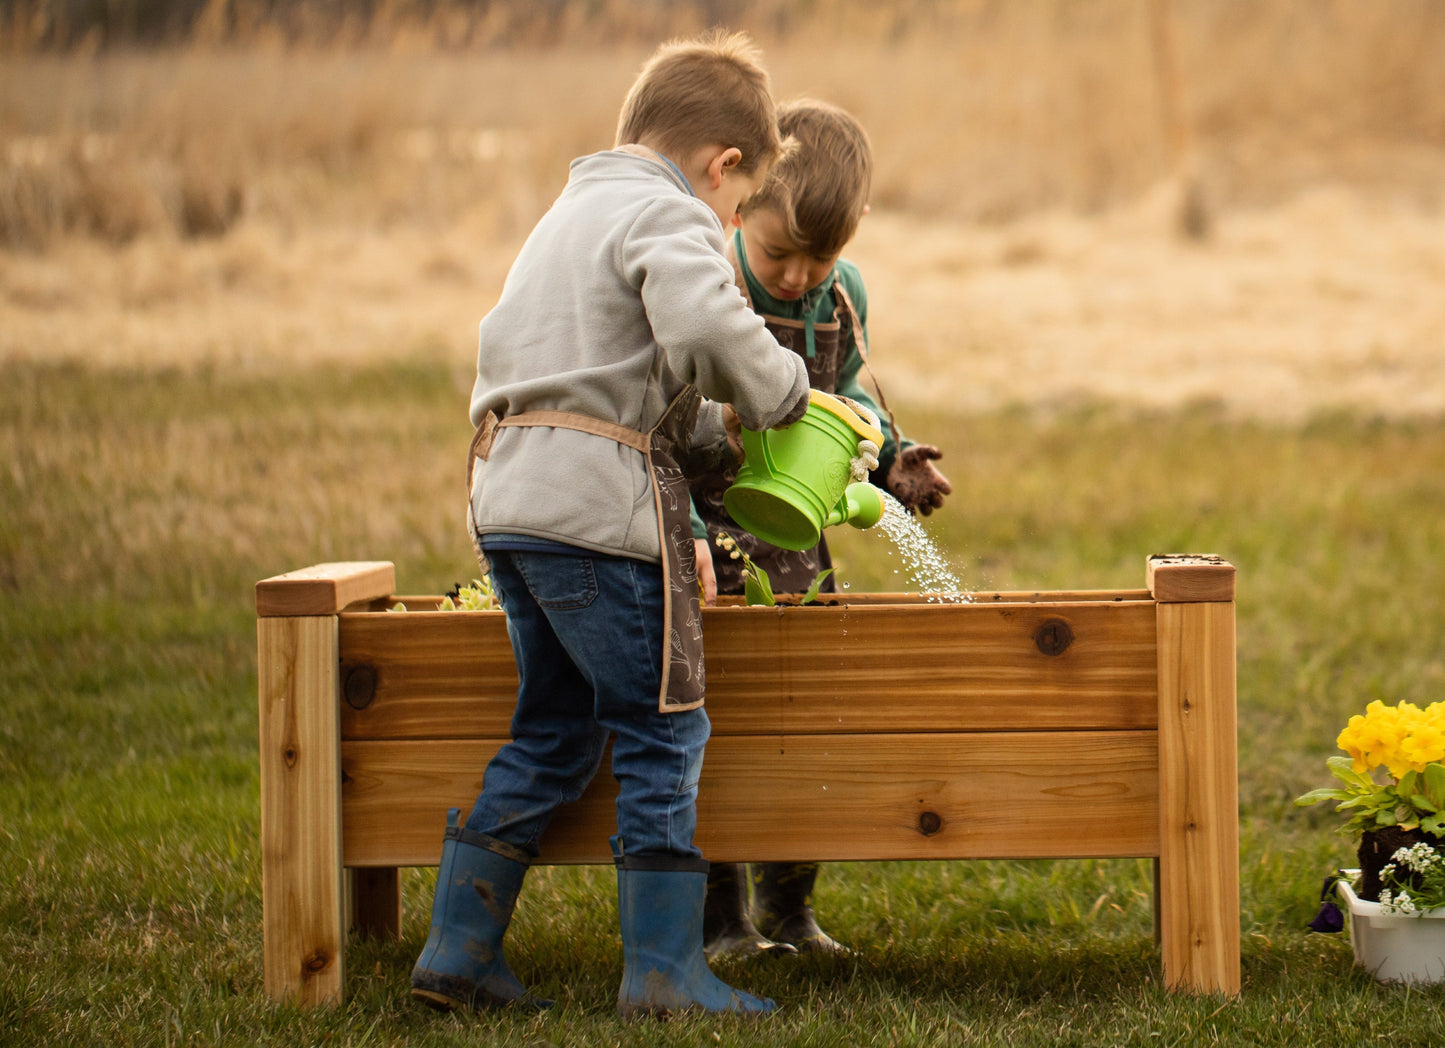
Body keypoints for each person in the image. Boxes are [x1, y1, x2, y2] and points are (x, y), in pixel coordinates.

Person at [408, 31, 815, 1019]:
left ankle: (457, 949)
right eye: (735, 201)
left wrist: (708, 443)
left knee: (551, 728)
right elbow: (709, 331)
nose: (723, 220)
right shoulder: (663, 213)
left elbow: (619, 370)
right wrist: (784, 391)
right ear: (722, 167)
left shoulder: (568, 215)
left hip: (511, 503)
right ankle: (664, 972)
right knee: (660, 725)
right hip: (600, 514)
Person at [693, 99, 952, 959]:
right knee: (715, 718)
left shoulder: (841, 298)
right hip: (701, 525)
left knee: (799, 712)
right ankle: (719, 918)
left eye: (822, 256)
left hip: (797, 535)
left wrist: (892, 458)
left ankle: (790, 908)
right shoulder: (708, 283)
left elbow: (852, 399)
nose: (799, 275)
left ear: (857, 231)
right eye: (779, 253)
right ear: (738, 204)